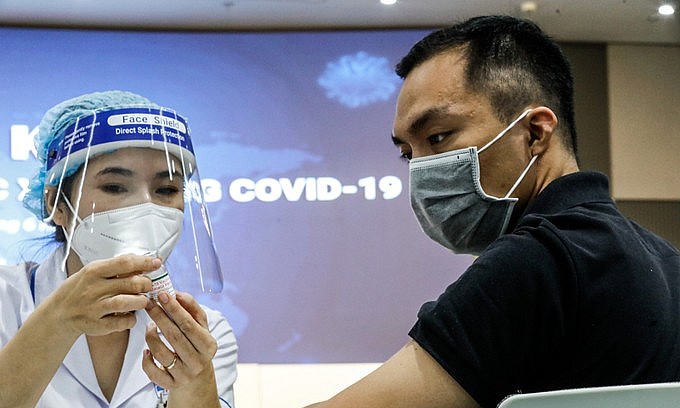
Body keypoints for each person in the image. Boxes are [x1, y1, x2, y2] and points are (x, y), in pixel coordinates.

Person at [306, 15, 680, 408]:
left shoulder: (537, 260)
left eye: (438, 137)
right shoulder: (667, 260)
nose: (421, 169)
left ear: (535, 132)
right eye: (407, 154)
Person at [0, 91, 238, 408]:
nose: (145, 208)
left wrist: (194, 387)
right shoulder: (7, 300)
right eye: (114, 187)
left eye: (166, 189)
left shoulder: (204, 334)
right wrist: (58, 322)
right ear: (56, 204)